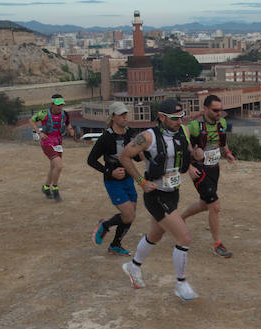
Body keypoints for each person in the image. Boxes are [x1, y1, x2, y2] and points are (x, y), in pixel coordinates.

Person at [118, 98, 201, 301]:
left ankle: (133, 266)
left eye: (182, 117)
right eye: (174, 118)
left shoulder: (183, 132)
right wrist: (140, 181)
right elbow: (124, 156)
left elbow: (186, 152)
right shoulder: (147, 137)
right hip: (155, 194)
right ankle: (181, 283)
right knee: (184, 237)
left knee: (155, 235)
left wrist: (195, 157)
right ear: (162, 117)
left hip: (173, 192)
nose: (179, 121)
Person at [181, 94, 236, 258]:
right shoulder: (194, 126)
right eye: (215, 110)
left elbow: (222, 140)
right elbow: (180, 140)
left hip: (214, 168)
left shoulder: (222, 123)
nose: (219, 113)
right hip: (199, 169)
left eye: (221, 110)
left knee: (205, 204)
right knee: (215, 206)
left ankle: (180, 218)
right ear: (205, 109)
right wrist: (189, 164)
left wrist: (227, 152)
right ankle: (218, 244)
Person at [87, 102, 141, 256]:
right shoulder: (106, 138)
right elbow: (91, 160)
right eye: (121, 114)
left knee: (130, 216)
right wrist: (110, 172)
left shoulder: (131, 133)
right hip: (113, 182)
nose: (125, 117)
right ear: (112, 117)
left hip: (128, 179)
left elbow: (136, 157)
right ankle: (105, 225)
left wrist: (142, 154)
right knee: (128, 214)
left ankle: (115, 245)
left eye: (125, 114)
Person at [31, 94, 76, 202]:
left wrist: (70, 130)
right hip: (47, 142)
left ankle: (46, 187)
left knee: (54, 167)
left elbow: (68, 123)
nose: (60, 107)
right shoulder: (44, 113)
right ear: (52, 104)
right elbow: (31, 121)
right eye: (57, 105)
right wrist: (39, 132)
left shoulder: (64, 114)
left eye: (61, 105)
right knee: (59, 166)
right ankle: (55, 189)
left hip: (58, 142)